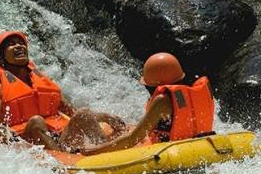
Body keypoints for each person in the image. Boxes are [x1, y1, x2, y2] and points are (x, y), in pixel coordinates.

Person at [0, 31, 126, 152]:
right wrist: (11, 138)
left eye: (21, 43)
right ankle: (62, 161)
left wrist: (103, 117)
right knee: (36, 121)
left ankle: (104, 149)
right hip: (27, 142)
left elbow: (72, 112)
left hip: (58, 138)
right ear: (2, 57)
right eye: (11, 44)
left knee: (83, 113)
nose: (18, 46)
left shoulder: (43, 82)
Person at [81, 52, 215, 155]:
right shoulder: (190, 93)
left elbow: (132, 139)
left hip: (169, 151)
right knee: (125, 128)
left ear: (154, 85)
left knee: (100, 127)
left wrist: (94, 151)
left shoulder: (162, 100)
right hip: (199, 145)